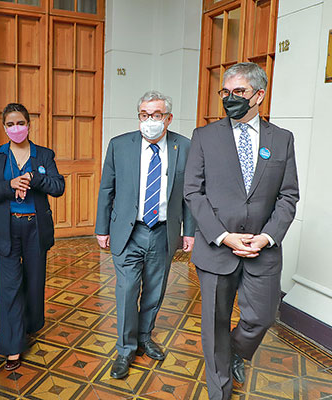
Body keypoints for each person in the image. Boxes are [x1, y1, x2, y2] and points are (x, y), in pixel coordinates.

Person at [184, 62, 299, 399]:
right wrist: (222, 235)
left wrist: (266, 237)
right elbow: (193, 191)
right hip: (217, 248)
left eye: (239, 92)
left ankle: (236, 351)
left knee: (261, 319)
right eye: (226, 92)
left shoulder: (282, 139)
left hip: (262, 250)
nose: (230, 98)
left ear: (259, 95)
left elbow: (288, 195)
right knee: (214, 326)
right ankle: (219, 392)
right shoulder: (204, 137)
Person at [95, 90, 196, 379]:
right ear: (138, 116)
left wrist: (189, 232)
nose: (149, 120)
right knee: (127, 291)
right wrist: (102, 228)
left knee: (155, 290)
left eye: (156, 115)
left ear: (168, 118)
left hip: (164, 232)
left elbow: (189, 196)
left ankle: (144, 337)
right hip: (129, 231)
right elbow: (107, 190)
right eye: (144, 115)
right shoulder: (119, 145)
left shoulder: (184, 147)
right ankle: (125, 349)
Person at [0, 103, 64, 371]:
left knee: (34, 282)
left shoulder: (44, 155)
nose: (16, 128)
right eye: (10, 124)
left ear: (29, 124)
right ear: (4, 128)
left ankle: (29, 324)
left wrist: (35, 179)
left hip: (36, 229)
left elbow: (58, 187)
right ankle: (12, 346)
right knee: (8, 287)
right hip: (7, 230)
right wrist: (10, 185)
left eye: (21, 123)